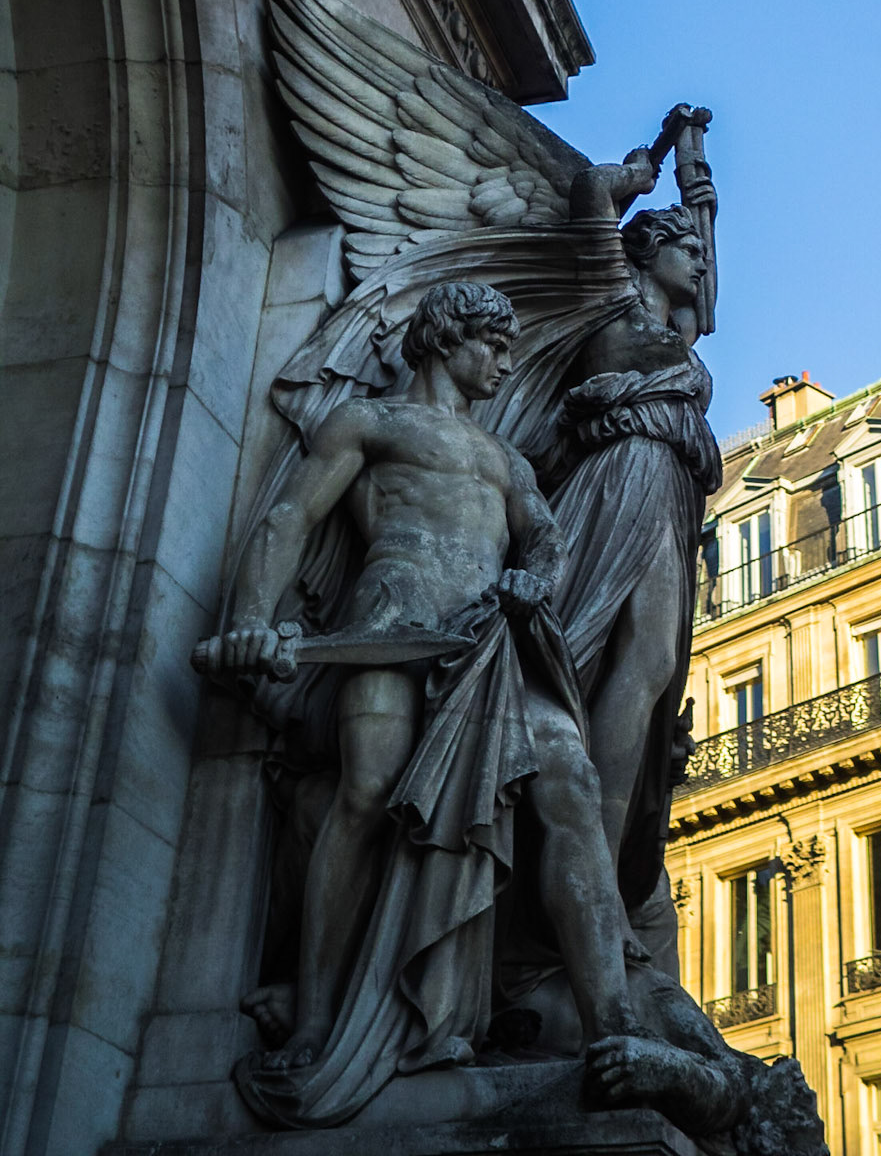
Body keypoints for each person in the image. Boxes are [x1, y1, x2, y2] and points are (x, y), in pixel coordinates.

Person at [192, 280, 634, 1128]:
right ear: (445, 339)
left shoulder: (506, 460)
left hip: (489, 644)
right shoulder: (369, 423)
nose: (506, 361)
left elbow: (544, 534)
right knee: (365, 791)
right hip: (388, 623)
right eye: (492, 344)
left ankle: (613, 1023)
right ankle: (319, 1020)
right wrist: (250, 622)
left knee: (569, 774)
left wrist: (530, 578)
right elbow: (289, 518)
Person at [540, 147, 722, 927]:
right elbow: (587, 200)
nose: (701, 264)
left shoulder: (676, 324)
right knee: (625, 664)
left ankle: (603, 875)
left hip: (670, 492)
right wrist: (637, 174)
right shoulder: (611, 301)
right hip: (626, 478)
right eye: (687, 249)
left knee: (650, 674)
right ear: (647, 251)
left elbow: (706, 302)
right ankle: (590, 877)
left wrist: (699, 181)